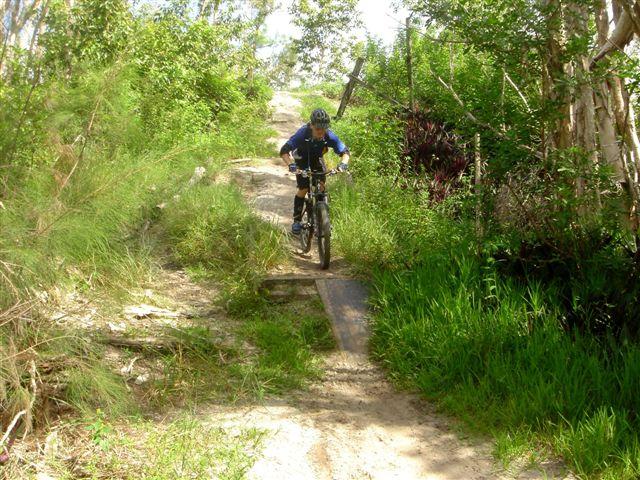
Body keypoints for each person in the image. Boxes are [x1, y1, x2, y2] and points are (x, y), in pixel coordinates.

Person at [280, 108, 350, 234]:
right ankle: (296, 221)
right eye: (318, 128)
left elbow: (345, 152)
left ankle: (323, 219)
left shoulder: (329, 135)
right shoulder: (302, 133)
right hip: (301, 159)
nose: (321, 132)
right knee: (304, 188)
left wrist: (343, 164)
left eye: (324, 128)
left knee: (321, 187)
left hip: (317, 158)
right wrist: (291, 165)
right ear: (311, 125)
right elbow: (284, 151)